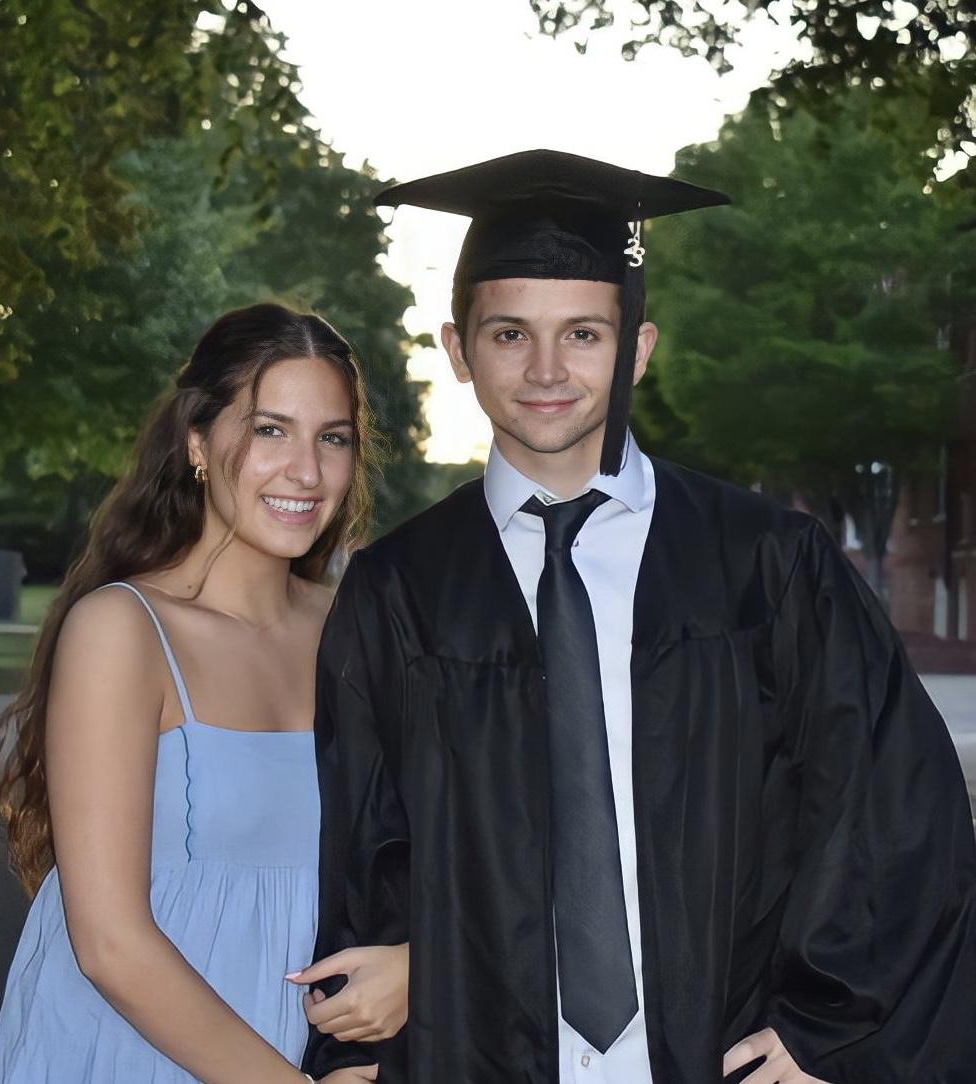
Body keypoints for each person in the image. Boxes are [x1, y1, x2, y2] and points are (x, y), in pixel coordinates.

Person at [302, 151, 976, 1084]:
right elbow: (364, 846)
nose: (546, 369)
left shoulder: (766, 563)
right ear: (457, 351)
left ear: (639, 348)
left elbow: (889, 801)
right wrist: (351, 1052)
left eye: (583, 334)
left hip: (722, 1050)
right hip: (476, 1053)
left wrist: (827, 1028)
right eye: (510, 333)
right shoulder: (400, 589)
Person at [0, 303, 406, 1083]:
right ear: (197, 443)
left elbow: (436, 850)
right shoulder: (122, 630)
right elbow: (109, 944)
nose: (306, 471)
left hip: (318, 1050)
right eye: (270, 430)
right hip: (139, 1049)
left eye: (333, 438)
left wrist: (418, 961)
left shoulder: (362, 630)